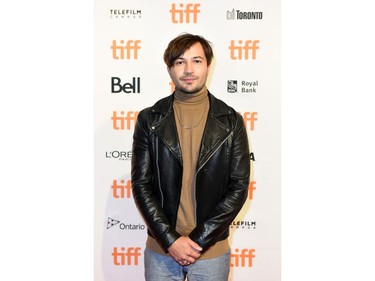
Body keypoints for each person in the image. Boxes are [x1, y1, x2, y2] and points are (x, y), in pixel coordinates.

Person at [131, 33, 250, 281]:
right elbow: (141, 185)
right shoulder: (149, 119)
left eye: (196, 61)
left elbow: (238, 187)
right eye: (179, 62)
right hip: (161, 251)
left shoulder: (231, 121)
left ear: (208, 65)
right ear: (170, 69)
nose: (188, 69)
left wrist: (197, 241)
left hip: (211, 252)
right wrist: (171, 241)